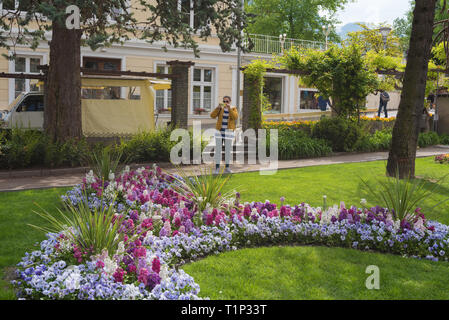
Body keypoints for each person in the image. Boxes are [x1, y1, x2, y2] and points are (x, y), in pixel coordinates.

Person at [210, 96, 238, 174]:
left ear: (230, 102)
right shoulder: (220, 109)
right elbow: (212, 116)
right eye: (224, 101)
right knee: (218, 150)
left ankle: (227, 167)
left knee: (228, 150)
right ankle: (217, 168)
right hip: (219, 131)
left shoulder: (233, 108)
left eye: (227, 101)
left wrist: (229, 108)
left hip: (229, 131)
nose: (225, 103)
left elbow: (235, 117)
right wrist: (217, 108)